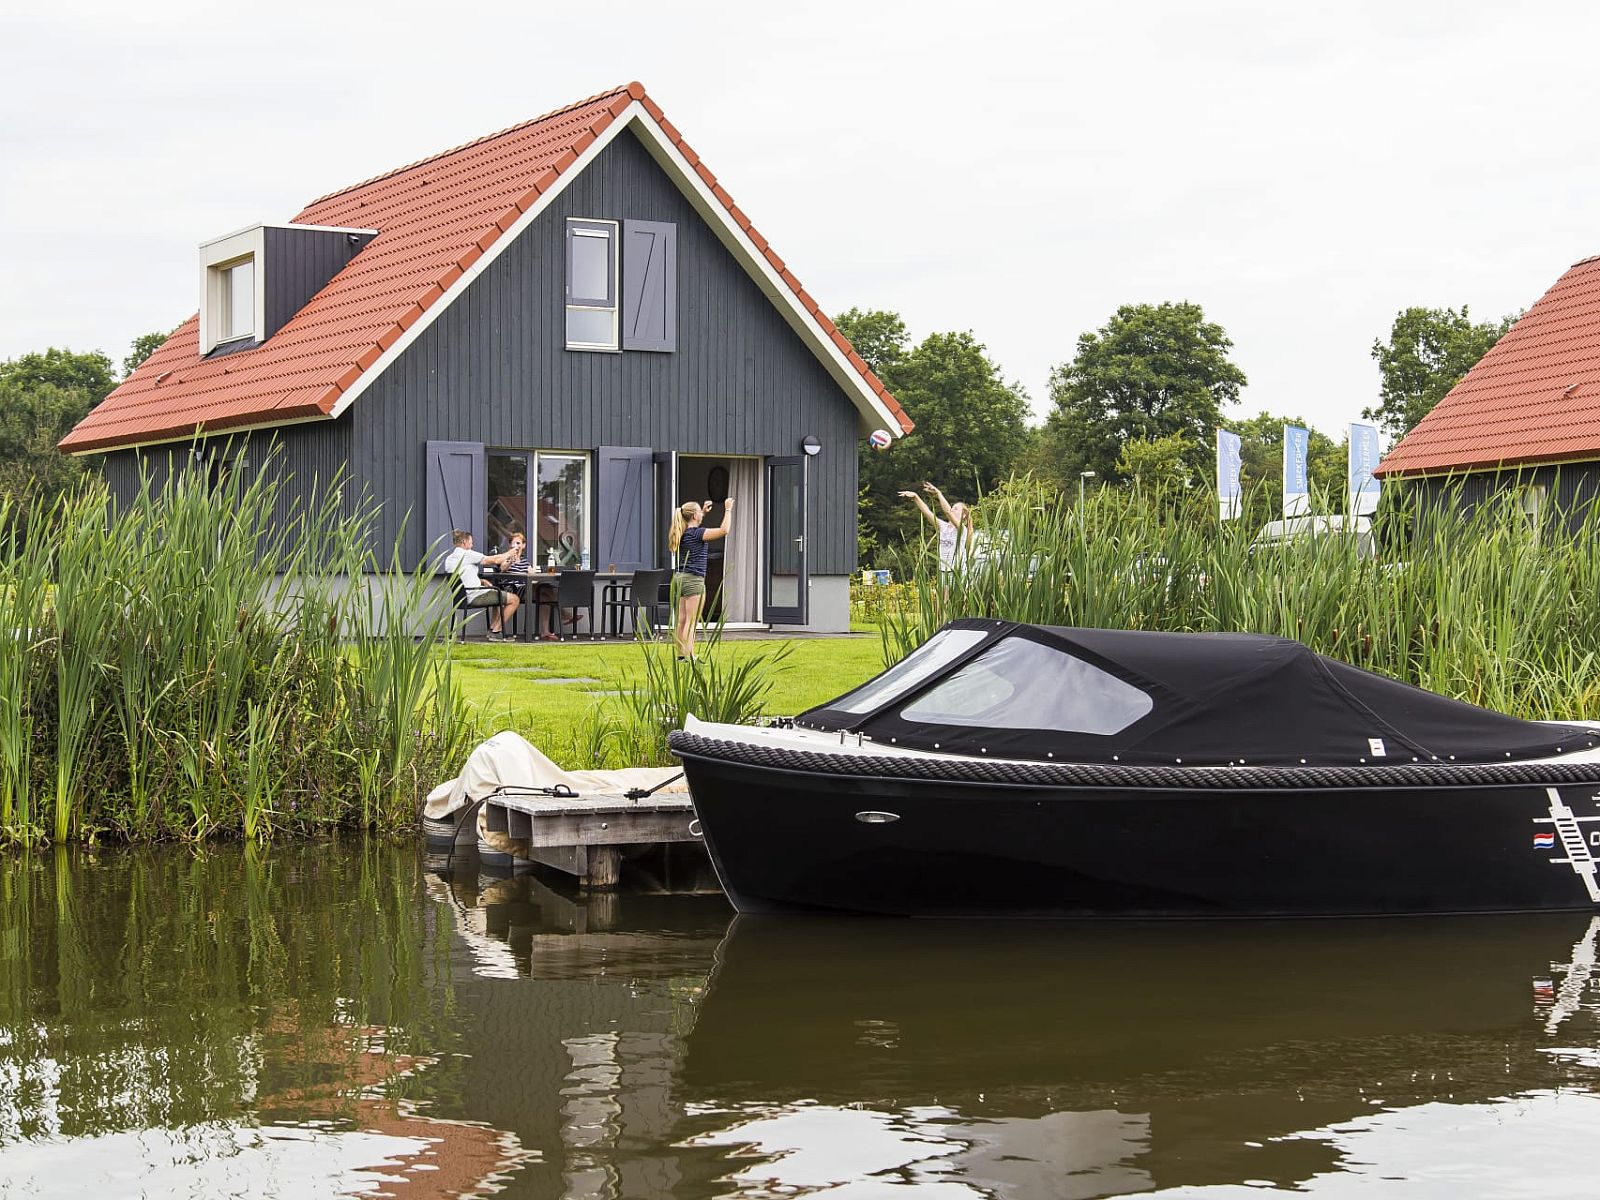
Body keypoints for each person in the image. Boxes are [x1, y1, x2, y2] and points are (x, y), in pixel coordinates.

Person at [668, 497, 735, 660]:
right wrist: (728, 509)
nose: (701, 514)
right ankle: (690, 656)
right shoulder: (697, 533)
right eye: (699, 512)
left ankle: (681, 655)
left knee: (682, 620)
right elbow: (724, 530)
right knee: (691, 622)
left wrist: (702, 511)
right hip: (693, 580)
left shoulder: (682, 531)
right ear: (694, 516)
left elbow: (694, 523)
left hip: (679, 578)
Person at [441, 529, 520, 639]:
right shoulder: (467, 554)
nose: (472, 545)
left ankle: (492, 630)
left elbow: (462, 576)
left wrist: (481, 581)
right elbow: (494, 560)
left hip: (461, 597)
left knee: (497, 597)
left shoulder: (449, 559)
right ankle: (496, 631)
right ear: (464, 542)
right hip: (475, 595)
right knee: (514, 599)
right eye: (471, 542)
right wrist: (509, 553)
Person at [898, 482, 973, 571]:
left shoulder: (962, 530)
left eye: (956, 508)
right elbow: (927, 511)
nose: (952, 509)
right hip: (943, 572)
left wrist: (938, 493)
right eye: (952, 507)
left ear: (964, 515)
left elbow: (947, 512)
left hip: (957, 572)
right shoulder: (943, 527)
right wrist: (916, 497)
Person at [501, 531, 559, 641]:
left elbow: (532, 576)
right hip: (513, 590)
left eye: (519, 543)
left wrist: (534, 575)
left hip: (527, 589)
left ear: (524, 545)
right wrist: (509, 560)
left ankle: (545, 631)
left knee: (545, 593)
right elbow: (503, 568)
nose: (516, 546)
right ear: (510, 545)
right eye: (514, 543)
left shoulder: (525, 563)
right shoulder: (505, 558)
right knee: (544, 588)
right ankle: (565, 614)